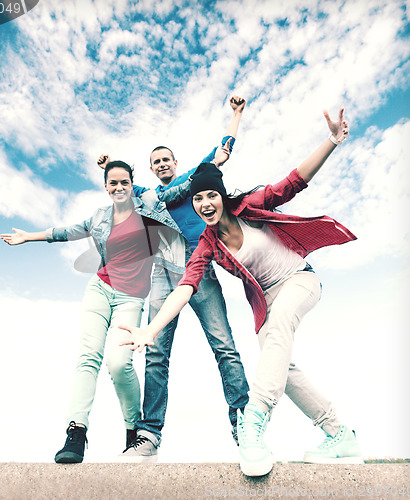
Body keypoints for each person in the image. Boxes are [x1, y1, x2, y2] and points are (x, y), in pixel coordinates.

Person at [120, 108, 363, 475]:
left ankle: (252, 421)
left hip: (299, 280)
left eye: (210, 196)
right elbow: (186, 287)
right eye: (198, 199)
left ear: (221, 196)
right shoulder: (206, 242)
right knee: (279, 363)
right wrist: (150, 330)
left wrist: (331, 140)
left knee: (277, 331)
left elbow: (293, 182)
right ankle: (339, 434)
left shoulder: (251, 206)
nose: (204, 204)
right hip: (267, 301)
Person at [0, 160, 193, 464]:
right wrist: (29, 236)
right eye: (112, 183)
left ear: (132, 184)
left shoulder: (151, 204)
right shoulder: (100, 216)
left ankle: (134, 431)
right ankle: (76, 433)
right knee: (88, 357)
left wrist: (216, 159)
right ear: (106, 187)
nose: (118, 188)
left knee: (118, 363)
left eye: (124, 183)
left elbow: (181, 187)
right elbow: (66, 232)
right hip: (100, 289)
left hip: (131, 297)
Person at [98, 96, 250, 462]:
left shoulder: (192, 178)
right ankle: (148, 436)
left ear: (175, 162)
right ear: (151, 169)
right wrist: (105, 167)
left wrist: (236, 115)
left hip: (199, 265)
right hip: (162, 270)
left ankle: (244, 424)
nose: (162, 164)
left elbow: (223, 150)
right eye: (156, 162)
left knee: (223, 345)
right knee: (155, 352)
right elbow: (119, 188)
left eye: (166, 159)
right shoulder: (147, 195)